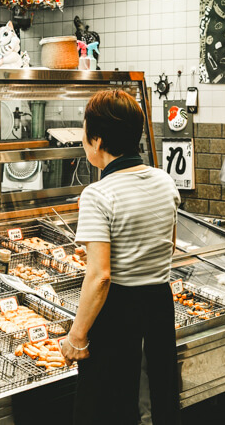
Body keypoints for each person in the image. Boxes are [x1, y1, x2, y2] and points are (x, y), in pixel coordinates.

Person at [61, 90, 181, 425]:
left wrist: (77, 336)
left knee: (110, 408)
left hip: (118, 314)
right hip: (158, 306)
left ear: (96, 140)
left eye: (85, 133)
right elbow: (167, 245)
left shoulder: (98, 194)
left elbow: (100, 276)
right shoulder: (164, 181)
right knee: (156, 402)